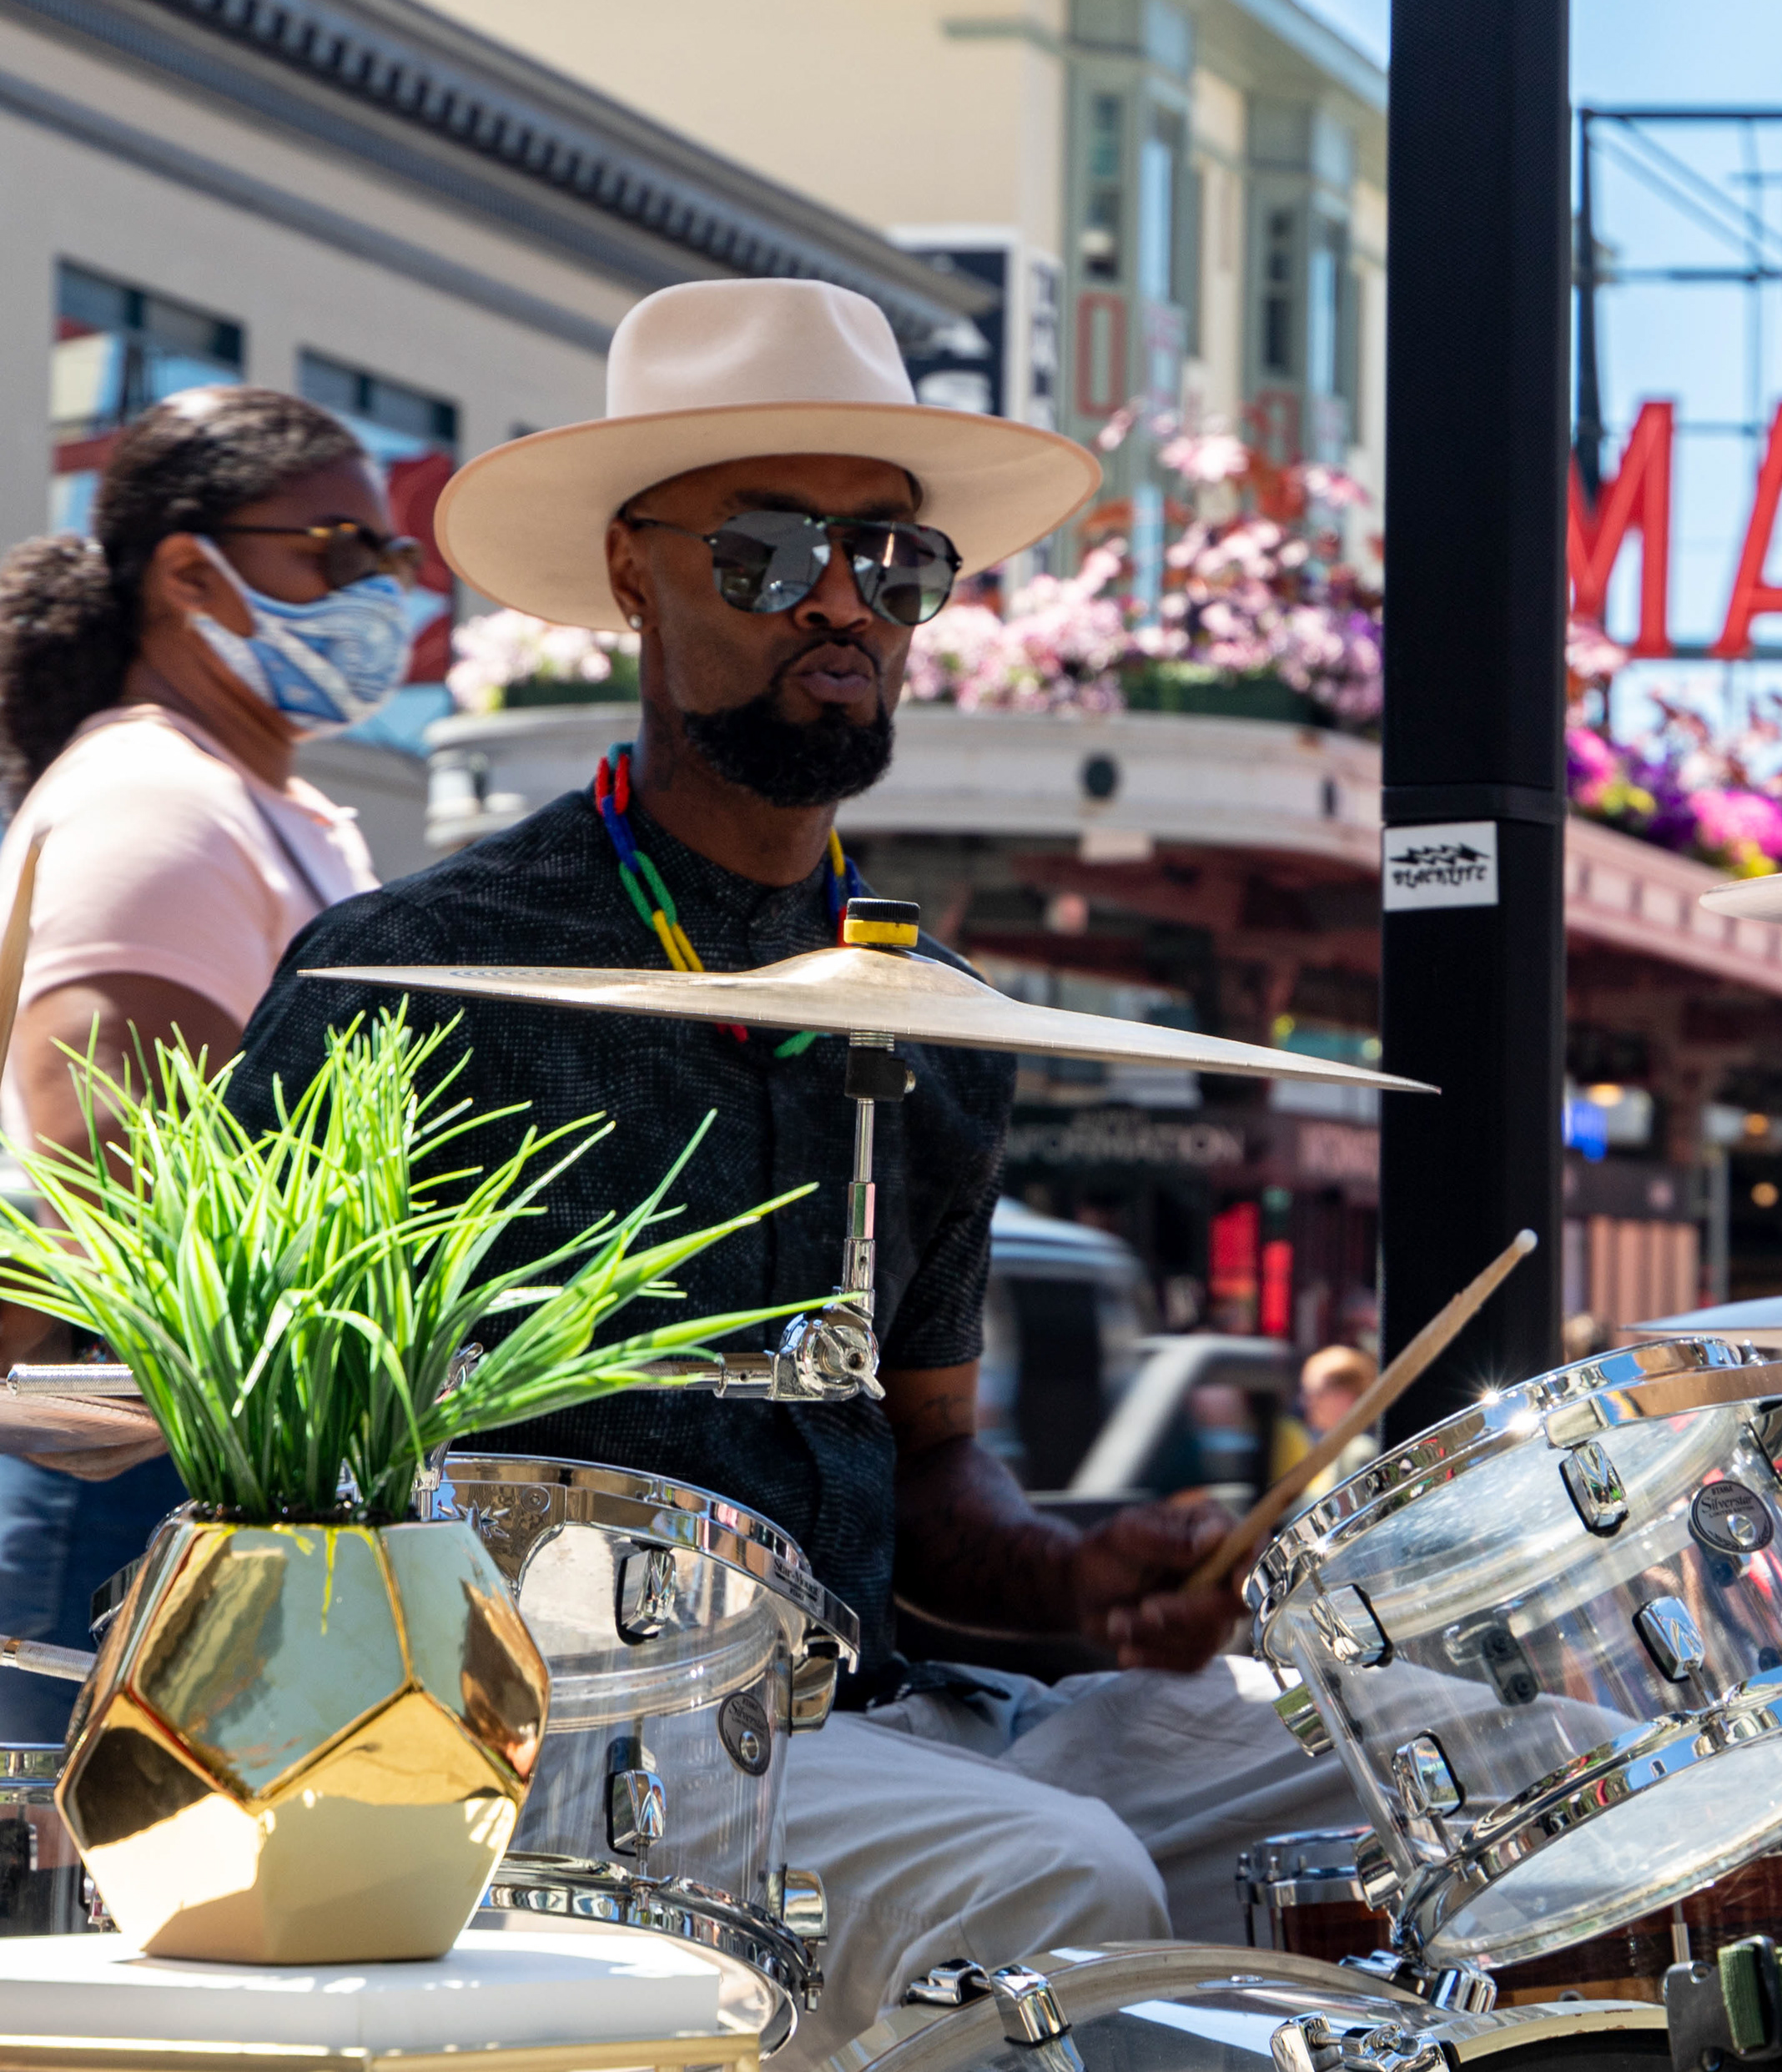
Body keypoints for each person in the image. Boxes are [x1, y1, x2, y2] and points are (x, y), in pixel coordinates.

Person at [224, 282, 1359, 2054]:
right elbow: (262, 1485)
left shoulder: (931, 1023)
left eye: (892, 563)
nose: (840, 603)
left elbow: (924, 1474)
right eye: (764, 555)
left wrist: (1087, 1577)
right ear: (631, 573)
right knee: (1057, 1886)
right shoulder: (412, 977)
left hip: (890, 1721)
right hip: (546, 1759)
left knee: (1369, 1778)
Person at [0, 386, 410, 1738]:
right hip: (119, 1504)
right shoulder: (157, 805)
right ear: (189, 568)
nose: (380, 591)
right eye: (338, 549)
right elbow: (125, 1210)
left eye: (387, 557)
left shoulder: (264, 807)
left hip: (210, 1494)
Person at [1286, 1343, 1382, 1497]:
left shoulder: (1358, 1454)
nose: (1306, 1403)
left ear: (1346, 1396)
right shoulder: (1318, 1444)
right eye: (1304, 1393)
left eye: (1314, 1393)